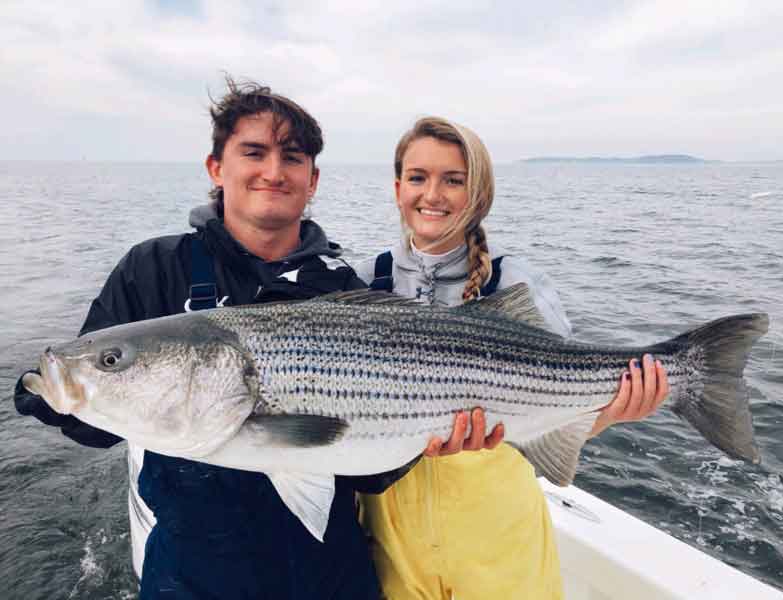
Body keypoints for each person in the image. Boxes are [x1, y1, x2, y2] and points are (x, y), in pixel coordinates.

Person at [12, 80, 488, 600]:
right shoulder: (152, 269)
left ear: (313, 180)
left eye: (292, 157)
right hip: (192, 573)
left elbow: (366, 475)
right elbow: (98, 431)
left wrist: (427, 439)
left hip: (326, 571)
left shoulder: (343, 288)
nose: (273, 171)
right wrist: (65, 398)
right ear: (217, 167)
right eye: (253, 152)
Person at [355, 116, 670, 600]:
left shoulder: (516, 281)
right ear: (398, 188)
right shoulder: (362, 281)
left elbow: (557, 403)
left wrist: (614, 410)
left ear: (478, 194)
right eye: (418, 177)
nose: (432, 194)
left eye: (453, 180)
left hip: (498, 540)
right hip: (395, 541)